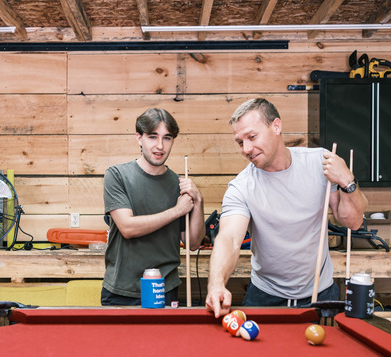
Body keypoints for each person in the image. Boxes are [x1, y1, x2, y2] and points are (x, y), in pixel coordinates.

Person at [206, 98, 367, 317]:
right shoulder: (241, 186)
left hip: (320, 294)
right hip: (265, 296)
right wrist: (216, 284)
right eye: (240, 142)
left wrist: (347, 180)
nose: (246, 149)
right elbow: (229, 239)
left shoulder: (319, 163)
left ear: (276, 126)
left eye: (252, 137)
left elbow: (353, 221)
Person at [102, 108, 206, 306]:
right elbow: (128, 228)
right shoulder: (116, 175)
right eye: (152, 137)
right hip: (121, 289)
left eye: (167, 138)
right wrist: (176, 211)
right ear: (139, 138)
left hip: (164, 288)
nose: (160, 146)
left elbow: (192, 243)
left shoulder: (178, 185)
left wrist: (198, 201)